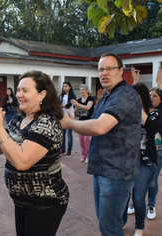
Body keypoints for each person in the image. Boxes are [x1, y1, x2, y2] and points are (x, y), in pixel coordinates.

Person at [60, 53, 141, 236]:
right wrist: (73, 119)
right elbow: (92, 122)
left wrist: (69, 124)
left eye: (109, 69)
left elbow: (99, 127)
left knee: (109, 227)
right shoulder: (106, 96)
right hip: (103, 168)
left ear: (121, 71)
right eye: (100, 69)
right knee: (112, 221)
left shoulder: (125, 94)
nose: (104, 73)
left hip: (117, 171)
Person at [0, 70, 69, 236]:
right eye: (18, 90)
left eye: (25, 90)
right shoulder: (18, 120)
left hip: (45, 203)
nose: (19, 94)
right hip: (22, 201)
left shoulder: (47, 122)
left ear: (42, 94)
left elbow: (22, 161)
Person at [127, 67, 162, 220]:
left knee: (152, 180)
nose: (151, 97)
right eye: (149, 95)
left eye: (155, 96)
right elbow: (132, 98)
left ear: (160, 99)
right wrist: (135, 83)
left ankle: (151, 205)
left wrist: (159, 83)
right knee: (135, 179)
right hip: (139, 150)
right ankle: (136, 202)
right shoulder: (141, 110)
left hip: (157, 150)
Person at [126, 80, 162, 236]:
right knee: (123, 197)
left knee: (138, 198)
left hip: (146, 162)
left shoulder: (155, 113)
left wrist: (140, 108)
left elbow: (152, 128)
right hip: (128, 162)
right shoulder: (127, 112)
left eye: (135, 96)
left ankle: (139, 228)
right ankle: (121, 222)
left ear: (141, 96)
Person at [70, 84, 94, 164]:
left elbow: (87, 108)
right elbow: (76, 112)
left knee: (86, 139)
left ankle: (88, 156)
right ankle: (83, 155)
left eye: (83, 90)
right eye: (80, 90)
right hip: (80, 122)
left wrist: (78, 104)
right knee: (81, 140)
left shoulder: (90, 99)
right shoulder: (79, 100)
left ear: (87, 91)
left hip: (88, 121)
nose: (82, 91)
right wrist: (75, 105)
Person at [59, 81, 76, 157]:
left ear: (70, 87)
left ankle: (69, 150)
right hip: (62, 117)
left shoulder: (72, 95)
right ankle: (62, 149)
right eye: (63, 86)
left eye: (66, 86)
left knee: (69, 135)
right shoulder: (61, 95)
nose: (65, 88)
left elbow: (68, 105)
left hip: (70, 117)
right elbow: (58, 103)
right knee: (62, 134)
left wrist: (59, 106)